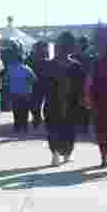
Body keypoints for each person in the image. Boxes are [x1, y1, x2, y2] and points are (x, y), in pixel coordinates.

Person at [44, 32, 87, 166]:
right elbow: (81, 88)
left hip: (53, 103)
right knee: (70, 129)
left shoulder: (49, 65)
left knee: (53, 129)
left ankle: (56, 155)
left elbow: (42, 86)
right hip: (71, 104)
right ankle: (66, 155)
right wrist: (83, 102)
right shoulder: (76, 66)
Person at [85, 29, 107, 168]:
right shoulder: (97, 62)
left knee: (102, 130)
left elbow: (89, 81)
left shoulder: (97, 62)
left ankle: (104, 156)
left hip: (100, 101)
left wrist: (88, 98)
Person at [4, 52, 37, 134]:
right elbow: (34, 79)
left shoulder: (10, 68)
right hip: (25, 92)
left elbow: (6, 78)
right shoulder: (27, 68)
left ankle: (17, 125)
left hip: (14, 92)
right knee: (25, 109)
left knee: (16, 109)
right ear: (23, 60)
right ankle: (25, 125)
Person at [28, 41, 50, 129]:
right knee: (36, 102)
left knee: (38, 102)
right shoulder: (32, 58)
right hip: (36, 83)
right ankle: (37, 118)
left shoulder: (45, 58)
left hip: (42, 83)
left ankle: (38, 118)